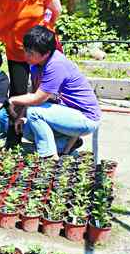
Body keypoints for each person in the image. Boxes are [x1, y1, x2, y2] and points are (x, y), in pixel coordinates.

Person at [9, 26, 100, 160]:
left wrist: (13, 100)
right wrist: (20, 116)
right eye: (25, 51)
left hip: (86, 119)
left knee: (34, 113)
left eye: (30, 53)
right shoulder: (36, 64)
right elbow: (34, 92)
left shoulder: (56, 65)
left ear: (46, 53)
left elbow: (37, 99)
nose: (26, 56)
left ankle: (49, 157)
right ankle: (64, 145)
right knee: (26, 128)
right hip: (69, 114)